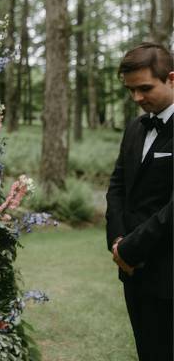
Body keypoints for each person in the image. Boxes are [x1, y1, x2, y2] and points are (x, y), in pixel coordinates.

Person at [105, 42, 173, 361]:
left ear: (171, 79)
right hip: (132, 270)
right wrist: (118, 242)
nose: (137, 98)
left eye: (145, 88)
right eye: (131, 90)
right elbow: (118, 186)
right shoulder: (135, 127)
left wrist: (133, 248)